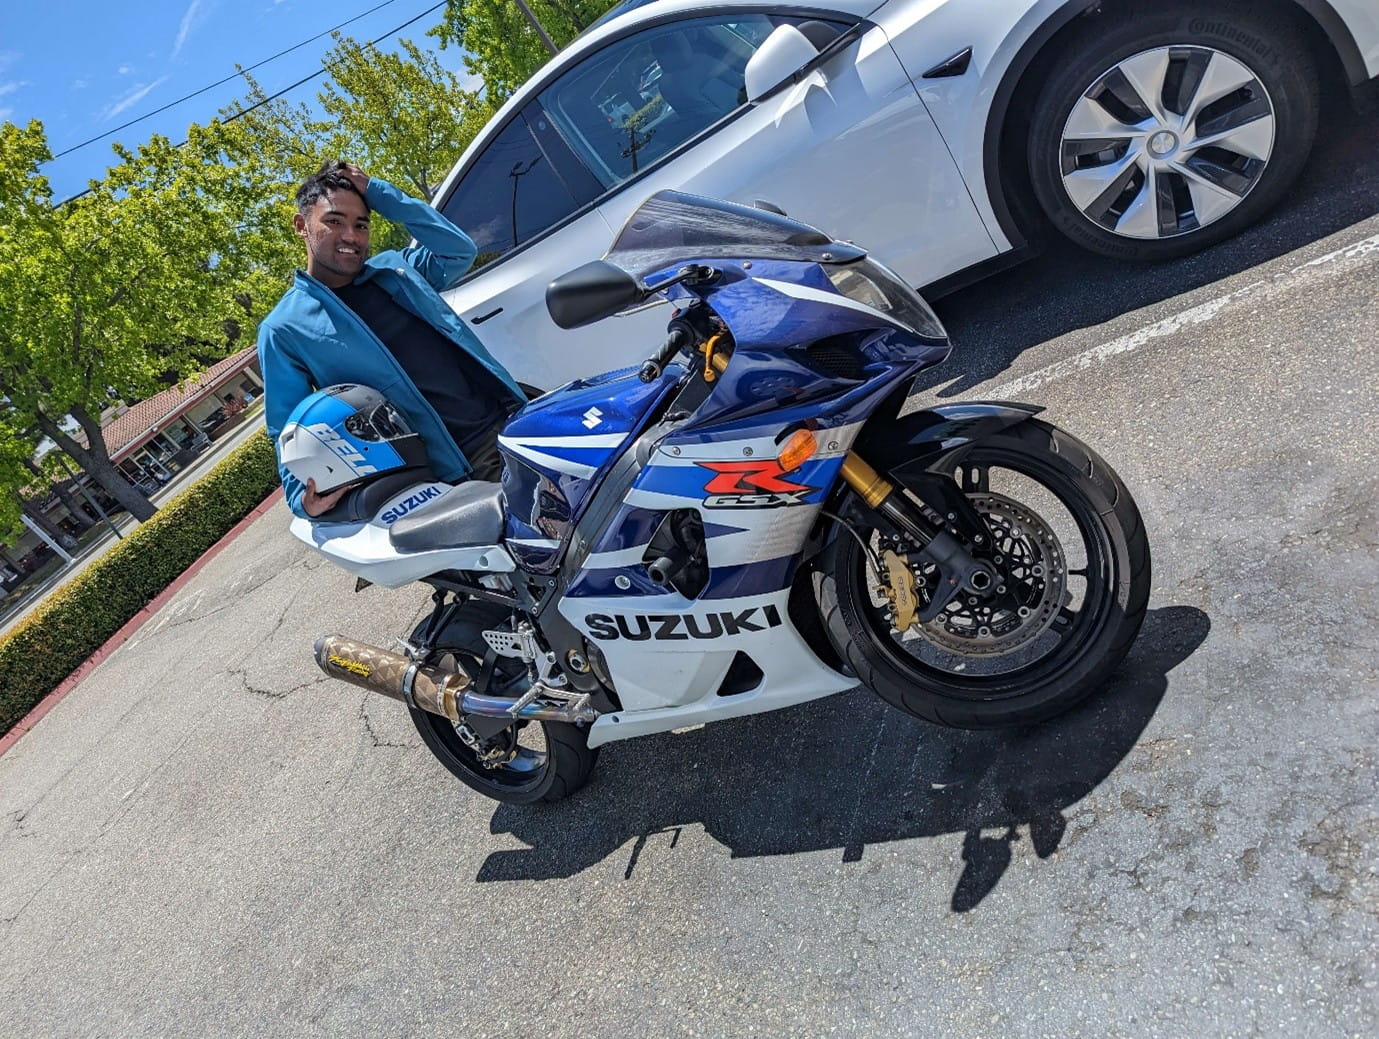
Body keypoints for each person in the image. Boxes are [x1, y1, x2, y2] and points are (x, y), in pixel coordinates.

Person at [257, 159, 526, 518]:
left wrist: (378, 193)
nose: (351, 236)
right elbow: (285, 427)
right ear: (301, 226)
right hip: (438, 479)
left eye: (361, 224)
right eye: (334, 221)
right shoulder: (284, 328)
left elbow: (458, 249)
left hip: (506, 427)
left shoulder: (396, 269)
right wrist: (300, 498)